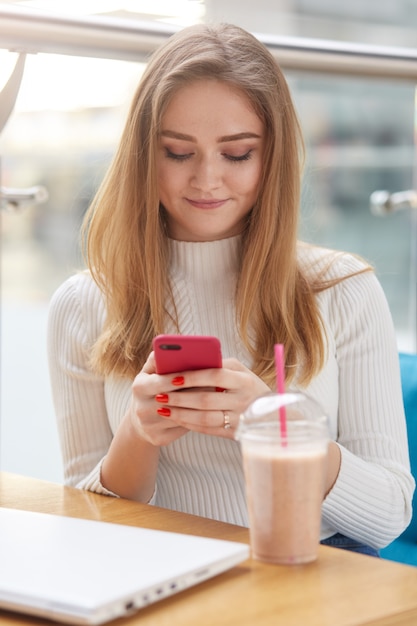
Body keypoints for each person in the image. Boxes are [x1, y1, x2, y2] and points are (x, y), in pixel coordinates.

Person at [47, 22, 414, 557]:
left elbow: (387, 517)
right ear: (143, 155)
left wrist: (275, 428)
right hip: (158, 574)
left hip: (310, 574)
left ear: (273, 158)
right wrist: (138, 433)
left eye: (237, 154)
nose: (207, 180)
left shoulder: (344, 291)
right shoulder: (83, 306)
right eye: (178, 152)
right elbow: (86, 524)